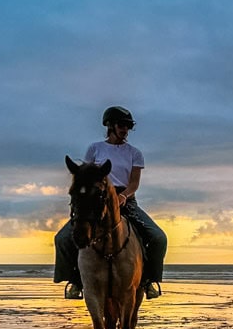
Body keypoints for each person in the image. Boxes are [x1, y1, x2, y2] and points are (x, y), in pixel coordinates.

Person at [54, 106, 167, 300]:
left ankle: (149, 280)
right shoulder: (95, 148)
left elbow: (134, 183)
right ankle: (75, 281)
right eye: (122, 125)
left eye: (128, 126)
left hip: (126, 200)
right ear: (110, 126)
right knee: (62, 238)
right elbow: (85, 176)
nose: (125, 130)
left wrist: (123, 196)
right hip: (97, 200)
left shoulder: (134, 153)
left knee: (159, 238)